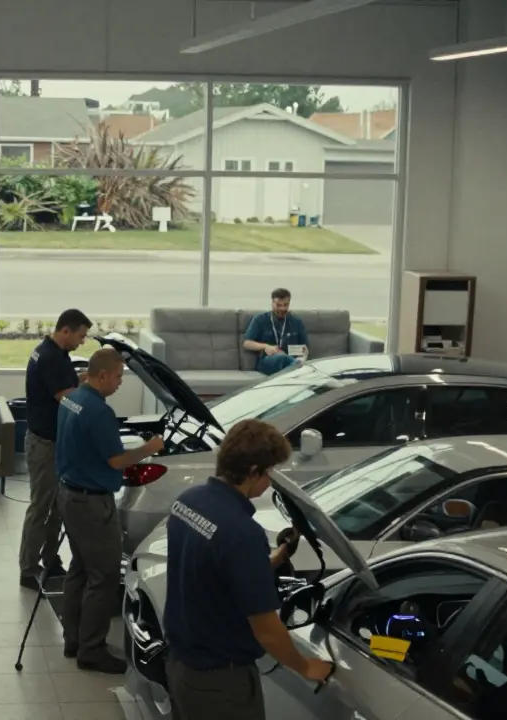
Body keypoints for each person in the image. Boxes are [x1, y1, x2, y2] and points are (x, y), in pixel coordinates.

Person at [163, 419, 332, 720]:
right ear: (253, 471)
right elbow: (266, 630)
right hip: (220, 684)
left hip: (180, 665)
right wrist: (306, 666)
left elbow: (215, 573)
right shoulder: (242, 533)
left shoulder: (188, 502)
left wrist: (276, 559)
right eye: (268, 473)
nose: (269, 481)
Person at [56, 347, 165, 674]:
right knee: (103, 577)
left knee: (79, 569)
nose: (120, 382)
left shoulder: (71, 398)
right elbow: (117, 461)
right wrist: (150, 448)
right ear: (102, 376)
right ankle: (92, 650)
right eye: (118, 376)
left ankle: (73, 639)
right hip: (91, 502)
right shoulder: (98, 411)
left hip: (68, 494)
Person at [18, 308, 92, 591]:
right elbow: (64, 398)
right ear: (66, 331)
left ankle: (50, 559)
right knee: (41, 507)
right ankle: (28, 568)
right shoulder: (49, 357)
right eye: (81, 336)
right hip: (44, 444)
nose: (82, 342)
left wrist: (83, 378)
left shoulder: (54, 353)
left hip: (52, 441)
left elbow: (65, 384)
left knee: (56, 506)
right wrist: (93, 388)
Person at [243, 288, 309, 375]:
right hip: (268, 360)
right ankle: (299, 369)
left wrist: (293, 353)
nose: (282, 308)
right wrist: (266, 347)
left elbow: (304, 349)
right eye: (278, 305)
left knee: (287, 359)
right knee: (282, 358)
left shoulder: (296, 322)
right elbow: (247, 343)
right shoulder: (260, 319)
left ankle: (295, 368)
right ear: (272, 303)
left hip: (291, 358)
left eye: (285, 305)